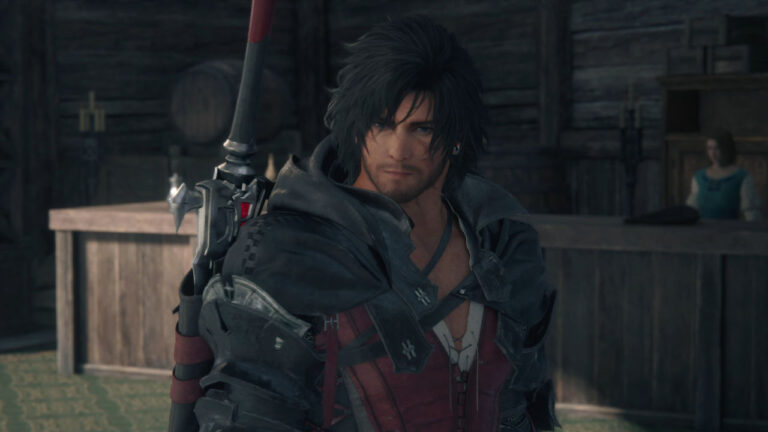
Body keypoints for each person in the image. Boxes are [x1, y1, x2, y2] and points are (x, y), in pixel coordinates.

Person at [175, 16, 558, 431]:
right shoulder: (285, 254)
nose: (397, 150)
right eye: (382, 124)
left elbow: (526, 402)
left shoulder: (501, 245)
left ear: (456, 137)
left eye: (422, 128)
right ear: (356, 126)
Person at [685, 131, 762, 221]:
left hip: (730, 227)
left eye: (717, 148)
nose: (713, 153)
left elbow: (750, 211)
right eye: (710, 148)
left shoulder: (741, 176)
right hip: (703, 227)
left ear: (726, 149)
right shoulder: (699, 177)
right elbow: (692, 208)